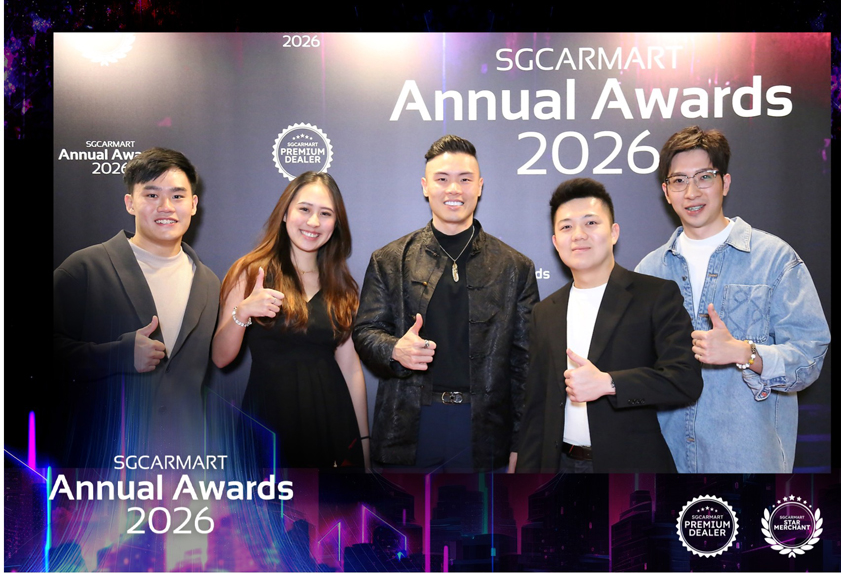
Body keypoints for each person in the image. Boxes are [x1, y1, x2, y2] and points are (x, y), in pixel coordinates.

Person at [635, 126, 831, 473]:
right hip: (667, 462)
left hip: (748, 465)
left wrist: (745, 353)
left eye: (704, 177)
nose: (692, 192)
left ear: (724, 182)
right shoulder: (649, 270)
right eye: (679, 181)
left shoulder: (774, 259)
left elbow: (809, 358)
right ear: (666, 191)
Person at [352, 135, 539, 472]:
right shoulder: (389, 259)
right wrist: (395, 349)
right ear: (425, 187)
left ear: (479, 186)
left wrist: (519, 443)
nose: (454, 189)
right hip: (409, 426)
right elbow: (365, 331)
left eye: (465, 179)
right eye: (442, 179)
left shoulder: (515, 267)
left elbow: (525, 364)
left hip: (485, 432)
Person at [516, 178, 702, 473]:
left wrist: (609, 383)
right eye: (566, 227)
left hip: (630, 469)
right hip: (558, 465)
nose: (578, 235)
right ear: (555, 241)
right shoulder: (545, 312)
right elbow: (536, 406)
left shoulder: (655, 296)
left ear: (614, 232)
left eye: (591, 223)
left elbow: (685, 380)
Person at [52, 147, 220, 466]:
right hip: (101, 464)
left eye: (177, 196)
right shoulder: (85, 268)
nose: (166, 207)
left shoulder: (209, 283)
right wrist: (118, 354)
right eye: (152, 195)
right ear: (130, 203)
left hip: (184, 466)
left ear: (194, 204)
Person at [213, 171, 370, 470]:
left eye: (325, 214)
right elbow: (221, 358)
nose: (313, 222)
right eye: (304, 209)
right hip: (267, 425)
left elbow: (350, 369)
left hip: (333, 427)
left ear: (336, 224)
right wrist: (242, 312)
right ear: (285, 213)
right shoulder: (249, 272)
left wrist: (364, 445)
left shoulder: (342, 287)